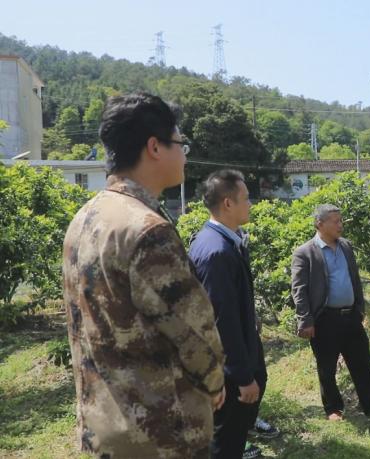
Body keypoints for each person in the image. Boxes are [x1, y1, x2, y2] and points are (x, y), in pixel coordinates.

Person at [62, 93, 225, 457]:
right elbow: (196, 334)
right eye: (181, 143)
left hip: (101, 429)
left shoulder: (84, 219)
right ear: (155, 147)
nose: (184, 153)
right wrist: (215, 383)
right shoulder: (147, 230)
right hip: (160, 434)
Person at [290, 204, 370, 420]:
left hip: (351, 316)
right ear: (320, 224)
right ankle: (333, 408)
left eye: (341, 220)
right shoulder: (305, 253)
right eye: (336, 221)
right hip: (325, 319)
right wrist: (305, 320)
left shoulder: (346, 246)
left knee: (362, 361)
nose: (341, 225)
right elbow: (298, 290)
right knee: (327, 367)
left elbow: (354, 279)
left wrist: (359, 309)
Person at [189, 169, 266, 459]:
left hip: (241, 351)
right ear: (228, 203)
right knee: (225, 438)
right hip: (228, 367)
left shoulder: (228, 240)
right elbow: (222, 319)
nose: (251, 204)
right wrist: (242, 377)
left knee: (233, 434)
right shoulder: (216, 252)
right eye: (246, 198)